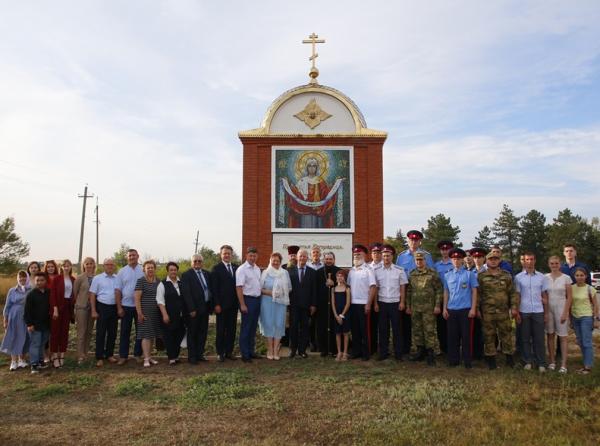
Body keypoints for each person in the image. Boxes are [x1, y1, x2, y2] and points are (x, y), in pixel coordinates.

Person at [477, 252, 519, 370]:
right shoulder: (481, 276)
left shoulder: (506, 276)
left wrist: (514, 307)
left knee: (506, 335)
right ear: (487, 261)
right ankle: (491, 361)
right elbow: (478, 294)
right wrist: (476, 309)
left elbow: (512, 293)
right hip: (487, 312)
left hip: (503, 312)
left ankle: (509, 359)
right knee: (489, 336)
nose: (493, 261)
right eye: (491, 259)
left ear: (499, 260)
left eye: (496, 259)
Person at [396, 230, 433, 355]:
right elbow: (398, 274)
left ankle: (425, 349)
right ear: (407, 240)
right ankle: (406, 348)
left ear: (420, 241)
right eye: (411, 240)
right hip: (406, 290)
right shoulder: (401, 256)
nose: (413, 242)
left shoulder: (427, 256)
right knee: (406, 322)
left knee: (424, 323)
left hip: (422, 293)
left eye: (416, 240)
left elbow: (432, 275)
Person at [443, 248, 478, 368]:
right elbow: (446, 292)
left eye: (458, 259)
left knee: (466, 336)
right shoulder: (447, 275)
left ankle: (467, 360)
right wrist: (444, 308)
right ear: (451, 260)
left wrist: (473, 309)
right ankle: (453, 360)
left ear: (462, 260)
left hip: (465, 310)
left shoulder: (469, 274)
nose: (456, 261)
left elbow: (474, 292)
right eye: (454, 259)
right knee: (452, 336)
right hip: (452, 309)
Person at [406, 252, 443, 366]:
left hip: (429, 308)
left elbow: (439, 290)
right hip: (416, 308)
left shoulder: (432, 273)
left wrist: (437, 305)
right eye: (417, 260)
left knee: (429, 331)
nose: (419, 262)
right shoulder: (412, 274)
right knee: (417, 330)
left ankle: (430, 353)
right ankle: (420, 351)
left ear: (425, 260)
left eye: (421, 260)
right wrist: (408, 306)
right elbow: (409, 291)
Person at [514, 252, 549, 372]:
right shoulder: (518, 277)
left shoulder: (541, 277)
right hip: (524, 311)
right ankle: (527, 361)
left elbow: (545, 296)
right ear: (524, 261)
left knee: (539, 339)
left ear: (535, 260)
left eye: (532, 259)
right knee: (525, 338)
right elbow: (517, 296)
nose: (529, 261)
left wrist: (546, 313)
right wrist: (517, 312)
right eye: (527, 259)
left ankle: (541, 363)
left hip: (538, 311)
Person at [374, 245, 407, 361]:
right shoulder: (376, 271)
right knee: (383, 329)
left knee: (397, 329)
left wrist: (402, 302)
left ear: (392, 256)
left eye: (388, 255)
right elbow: (376, 288)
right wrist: (375, 304)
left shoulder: (399, 270)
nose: (386, 258)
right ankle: (383, 353)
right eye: (384, 256)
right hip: (382, 303)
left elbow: (402, 287)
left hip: (395, 303)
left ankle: (398, 354)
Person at [259, 252, 291, 360]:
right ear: (270, 261)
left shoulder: (284, 273)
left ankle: (276, 349)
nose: (275, 262)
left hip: (280, 303)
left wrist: (282, 291)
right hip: (267, 302)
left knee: (278, 324)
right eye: (274, 261)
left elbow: (290, 288)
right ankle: (270, 349)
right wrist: (271, 293)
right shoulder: (265, 273)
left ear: (280, 262)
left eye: (278, 261)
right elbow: (259, 289)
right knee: (268, 324)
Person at [181, 254, 213, 364]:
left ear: (202, 262)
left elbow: (210, 290)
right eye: (195, 261)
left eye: (199, 261)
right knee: (192, 333)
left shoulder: (207, 274)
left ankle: (200, 354)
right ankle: (192, 357)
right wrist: (191, 309)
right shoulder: (186, 275)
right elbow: (186, 294)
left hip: (205, 308)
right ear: (191, 262)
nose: (197, 263)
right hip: (193, 310)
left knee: (202, 333)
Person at [115, 248, 144, 365]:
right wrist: (119, 308)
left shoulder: (143, 270)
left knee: (140, 332)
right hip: (126, 306)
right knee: (124, 332)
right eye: (130, 256)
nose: (132, 257)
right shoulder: (122, 271)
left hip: (140, 307)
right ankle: (123, 356)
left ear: (138, 256)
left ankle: (138, 354)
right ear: (127, 257)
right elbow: (117, 291)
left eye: (134, 255)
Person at [347, 245, 376, 360]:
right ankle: (356, 351)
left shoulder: (369, 270)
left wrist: (369, 304)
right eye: (355, 255)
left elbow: (373, 287)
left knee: (365, 330)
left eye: (359, 254)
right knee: (355, 330)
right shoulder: (351, 271)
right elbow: (348, 286)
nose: (356, 256)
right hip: (353, 304)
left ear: (364, 255)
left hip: (364, 304)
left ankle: (366, 353)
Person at [89, 258, 120, 367]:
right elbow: (92, 295)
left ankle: (109, 355)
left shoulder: (118, 278)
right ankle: (99, 357)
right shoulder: (97, 278)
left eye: (112, 265)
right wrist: (93, 310)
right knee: (101, 333)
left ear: (114, 266)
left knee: (113, 333)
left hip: (114, 308)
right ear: (104, 266)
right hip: (102, 307)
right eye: (107, 265)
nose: (110, 267)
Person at [211, 245, 239, 362]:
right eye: (224, 253)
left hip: (233, 305)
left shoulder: (236, 268)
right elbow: (214, 288)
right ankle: (220, 353)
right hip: (221, 306)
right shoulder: (216, 269)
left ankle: (229, 352)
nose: (227, 255)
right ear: (221, 255)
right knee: (221, 330)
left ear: (232, 255)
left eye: (229, 253)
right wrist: (216, 304)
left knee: (232, 330)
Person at [288, 248, 317, 358]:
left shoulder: (312, 272)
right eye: (300, 256)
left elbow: (314, 290)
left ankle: (302, 350)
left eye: (304, 256)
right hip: (293, 305)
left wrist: (313, 304)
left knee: (305, 328)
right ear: (297, 257)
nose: (302, 258)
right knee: (293, 327)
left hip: (306, 306)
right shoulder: (290, 271)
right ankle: (293, 350)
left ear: (307, 257)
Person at [545, 256, 572, 373]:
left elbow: (570, 297)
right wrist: (545, 312)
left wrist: (565, 312)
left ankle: (564, 365)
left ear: (560, 264)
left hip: (561, 308)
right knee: (550, 335)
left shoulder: (566, 278)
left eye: (556, 263)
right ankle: (552, 362)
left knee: (563, 337)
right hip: (549, 308)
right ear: (549, 264)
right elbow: (544, 295)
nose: (554, 265)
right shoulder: (545, 278)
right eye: (552, 263)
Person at [236, 247, 262, 363]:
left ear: (257, 256)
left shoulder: (257, 268)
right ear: (246, 256)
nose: (252, 258)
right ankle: (245, 354)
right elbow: (239, 287)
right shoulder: (242, 269)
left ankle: (251, 351)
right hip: (247, 300)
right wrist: (242, 304)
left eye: (254, 255)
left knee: (253, 328)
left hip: (257, 300)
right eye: (250, 255)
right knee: (246, 328)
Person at [570, 268, 598, 374]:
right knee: (580, 341)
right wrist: (570, 319)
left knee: (587, 342)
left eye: (582, 275)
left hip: (586, 317)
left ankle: (588, 366)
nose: (579, 277)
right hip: (575, 317)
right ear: (574, 277)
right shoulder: (571, 288)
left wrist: (595, 319)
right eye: (577, 275)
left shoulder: (590, 289)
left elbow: (595, 305)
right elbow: (569, 303)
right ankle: (586, 361)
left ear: (586, 276)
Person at [157, 262, 186, 365]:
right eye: (171, 270)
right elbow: (160, 301)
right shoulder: (162, 284)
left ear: (177, 270)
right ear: (167, 271)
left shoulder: (181, 282)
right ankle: (171, 358)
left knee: (179, 335)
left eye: (175, 270)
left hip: (180, 316)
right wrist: (164, 314)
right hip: (168, 315)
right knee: (169, 337)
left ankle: (176, 356)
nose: (173, 271)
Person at [134, 260, 161, 367]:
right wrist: (139, 313)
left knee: (152, 335)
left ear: (155, 269)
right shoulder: (141, 281)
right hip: (144, 312)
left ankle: (149, 357)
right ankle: (145, 358)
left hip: (155, 313)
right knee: (145, 335)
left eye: (152, 267)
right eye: (148, 268)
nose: (150, 269)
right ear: (144, 269)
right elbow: (136, 299)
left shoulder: (158, 281)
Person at [1, 271, 30, 371]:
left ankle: (21, 359)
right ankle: (13, 361)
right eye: (20, 277)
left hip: (26, 317)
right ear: (18, 278)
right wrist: (5, 319)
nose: (22, 279)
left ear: (27, 278)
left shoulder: (30, 290)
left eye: (24, 277)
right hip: (14, 316)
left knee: (24, 337)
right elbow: (7, 305)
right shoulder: (12, 290)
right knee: (14, 336)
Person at [49, 259, 75, 368]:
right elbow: (53, 294)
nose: (66, 267)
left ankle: (62, 355)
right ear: (61, 267)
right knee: (55, 333)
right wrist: (55, 309)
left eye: (68, 266)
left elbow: (74, 294)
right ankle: (55, 356)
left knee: (64, 332)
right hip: (58, 307)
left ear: (70, 267)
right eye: (64, 266)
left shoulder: (73, 279)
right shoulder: (57, 279)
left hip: (68, 308)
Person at [24, 272, 51, 374]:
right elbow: (27, 312)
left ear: (46, 281)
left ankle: (40, 361)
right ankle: (34, 364)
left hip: (46, 324)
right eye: (37, 280)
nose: (39, 282)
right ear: (34, 282)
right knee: (35, 344)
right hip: (35, 325)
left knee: (42, 344)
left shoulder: (49, 292)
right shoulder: (31, 294)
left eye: (42, 280)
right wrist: (29, 324)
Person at [73, 257, 96, 364]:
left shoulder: (97, 278)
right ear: (83, 265)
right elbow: (74, 293)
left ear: (94, 265)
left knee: (89, 332)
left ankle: (85, 353)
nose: (89, 265)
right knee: (81, 332)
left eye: (91, 263)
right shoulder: (80, 278)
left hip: (93, 308)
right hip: (81, 308)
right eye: (87, 264)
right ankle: (80, 356)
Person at [434, 240, 454, 354]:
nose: (445, 251)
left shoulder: (456, 263)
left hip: (454, 299)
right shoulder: (436, 265)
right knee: (441, 325)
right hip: (440, 298)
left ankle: (453, 348)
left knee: (453, 325)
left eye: (447, 249)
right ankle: (443, 348)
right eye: (443, 249)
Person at [469, 247, 488, 361]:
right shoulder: (470, 272)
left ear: (484, 258)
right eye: (475, 257)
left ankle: (490, 353)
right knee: (475, 330)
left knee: (488, 331)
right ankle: (477, 353)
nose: (477, 259)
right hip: (474, 305)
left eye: (480, 257)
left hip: (486, 305)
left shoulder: (488, 272)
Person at [307, 245, 324, 354]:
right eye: (314, 253)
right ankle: (312, 344)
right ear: (311, 255)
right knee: (311, 324)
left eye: (318, 253)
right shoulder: (308, 267)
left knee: (321, 323)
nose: (316, 254)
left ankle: (320, 344)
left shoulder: (324, 266)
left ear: (320, 254)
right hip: (310, 300)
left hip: (321, 299)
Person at [323, 251, 341, 354]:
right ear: (324, 260)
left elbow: (343, 286)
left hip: (336, 304)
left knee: (335, 326)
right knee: (323, 326)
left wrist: (334, 284)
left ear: (334, 260)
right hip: (323, 304)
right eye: (327, 259)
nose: (328, 261)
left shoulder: (339, 271)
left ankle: (334, 349)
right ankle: (324, 349)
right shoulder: (319, 272)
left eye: (330, 259)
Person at [331, 269, 351, 361]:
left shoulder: (347, 288)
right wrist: (336, 315)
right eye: (338, 276)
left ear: (344, 277)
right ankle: (339, 352)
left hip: (345, 314)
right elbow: (333, 303)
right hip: (336, 314)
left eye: (341, 276)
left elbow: (348, 303)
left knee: (345, 333)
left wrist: (341, 315)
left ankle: (345, 352)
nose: (340, 277)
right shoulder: (333, 289)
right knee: (338, 333)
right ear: (336, 278)